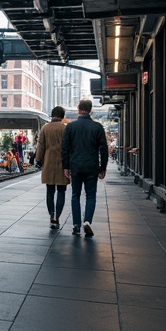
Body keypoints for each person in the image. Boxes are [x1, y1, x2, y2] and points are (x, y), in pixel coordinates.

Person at [61, 99, 109, 237]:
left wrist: (66, 166)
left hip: (75, 166)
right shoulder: (97, 127)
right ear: (90, 110)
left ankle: (76, 225)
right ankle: (87, 221)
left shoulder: (70, 127)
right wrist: (103, 168)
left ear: (78, 109)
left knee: (75, 195)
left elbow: (65, 148)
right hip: (91, 166)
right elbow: (103, 149)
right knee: (90, 195)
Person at [35, 106, 68, 230]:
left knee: (50, 191)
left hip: (48, 162)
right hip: (62, 163)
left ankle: (52, 215)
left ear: (52, 115)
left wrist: (38, 160)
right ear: (62, 116)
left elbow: (40, 146)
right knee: (61, 191)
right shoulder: (65, 129)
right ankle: (58, 216)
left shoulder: (45, 128)